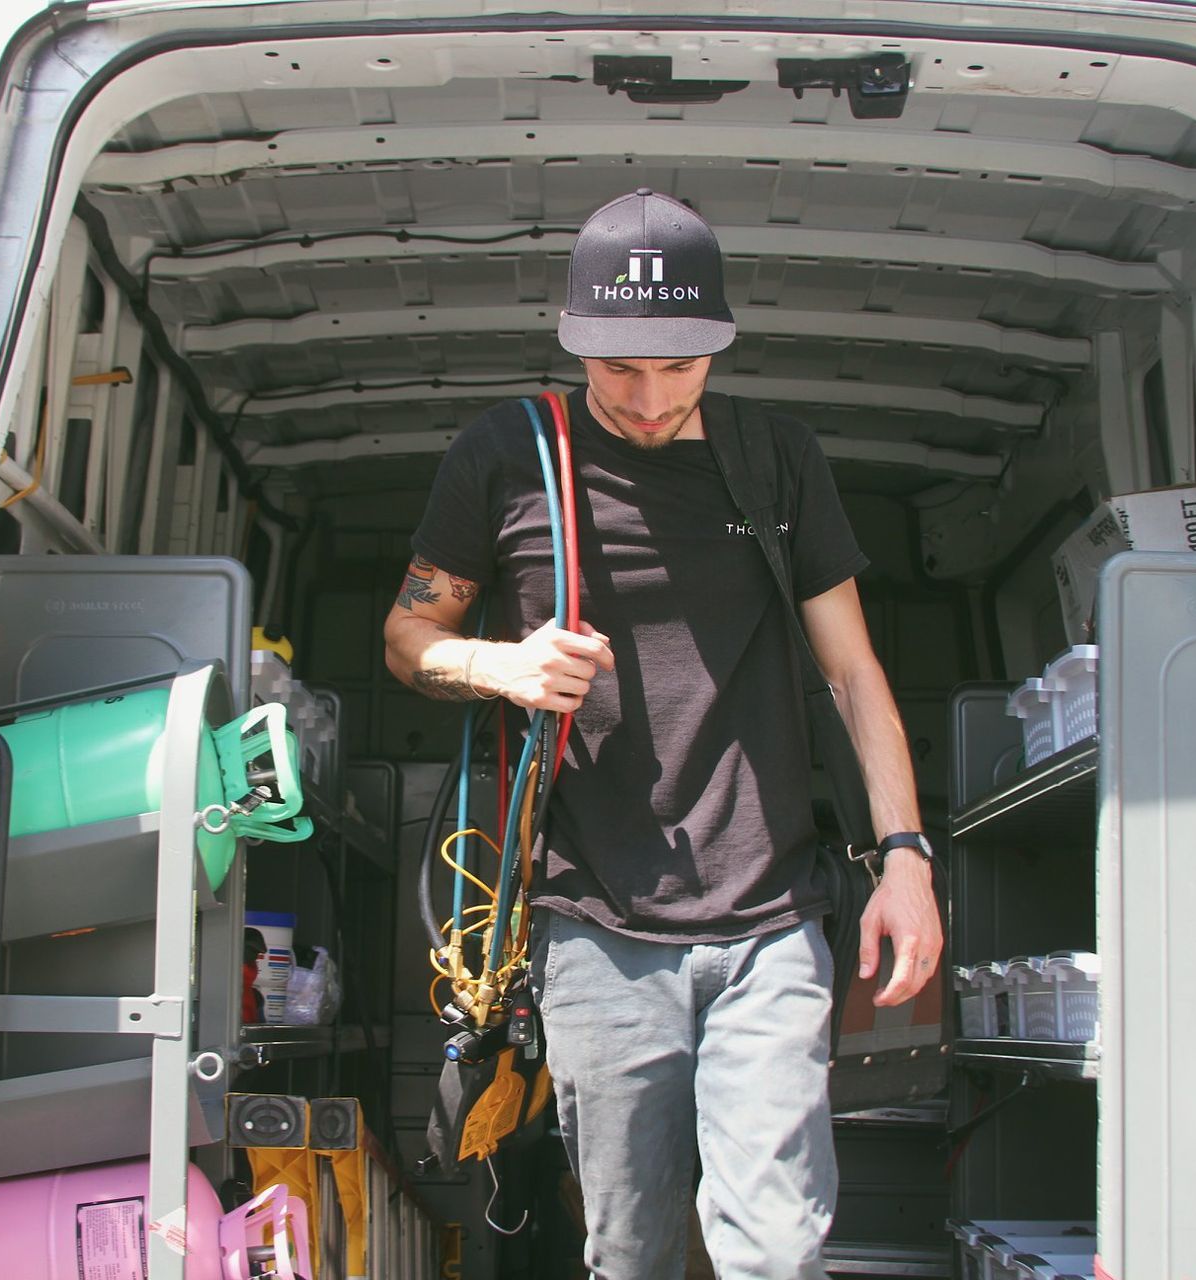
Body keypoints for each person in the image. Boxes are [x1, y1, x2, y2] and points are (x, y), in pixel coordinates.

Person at [383, 189, 943, 1279]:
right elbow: (409, 637)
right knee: (628, 1250)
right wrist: (501, 664)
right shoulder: (507, 456)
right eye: (618, 369)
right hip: (594, 922)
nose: (647, 400)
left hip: (772, 916)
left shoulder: (776, 459)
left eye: (679, 368)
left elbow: (852, 670)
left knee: (777, 1251)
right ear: (574, 343)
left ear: (720, 342)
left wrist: (906, 859)